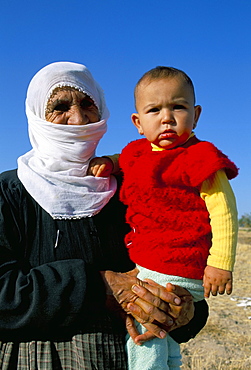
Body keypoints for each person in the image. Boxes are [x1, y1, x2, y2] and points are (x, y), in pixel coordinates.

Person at [0, 62, 208, 370]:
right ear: (36, 116)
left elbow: (181, 267)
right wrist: (100, 287)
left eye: (87, 105)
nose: (78, 118)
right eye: (59, 108)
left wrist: (184, 311)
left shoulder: (137, 185)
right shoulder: (9, 193)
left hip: (129, 356)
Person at [89, 66, 239, 369]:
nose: (167, 117)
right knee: (166, 339)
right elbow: (125, 159)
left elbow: (224, 210)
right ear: (138, 122)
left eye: (178, 107)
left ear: (195, 115)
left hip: (177, 263)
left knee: (145, 323)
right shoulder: (137, 152)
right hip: (153, 259)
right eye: (154, 109)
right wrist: (108, 163)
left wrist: (221, 263)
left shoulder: (200, 156)